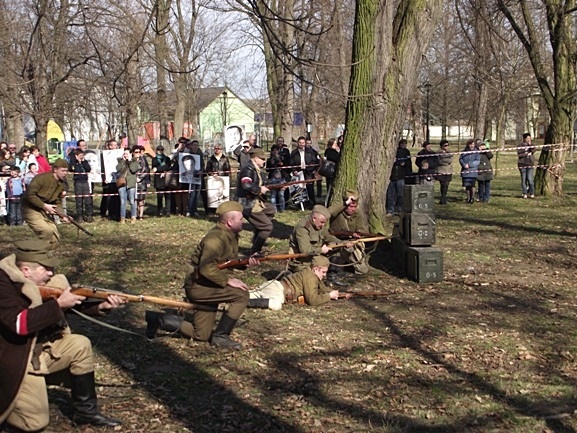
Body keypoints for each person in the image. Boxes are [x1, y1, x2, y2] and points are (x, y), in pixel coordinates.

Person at [0, 240, 125, 431]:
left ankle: (86, 413)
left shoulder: (36, 283)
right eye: (46, 268)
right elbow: (19, 324)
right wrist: (59, 305)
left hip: (37, 351)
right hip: (14, 360)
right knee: (34, 423)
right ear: (26, 270)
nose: (51, 273)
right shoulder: (3, 286)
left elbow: (66, 307)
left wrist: (101, 306)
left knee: (80, 345)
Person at [183, 201, 257, 349]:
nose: (243, 222)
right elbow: (206, 268)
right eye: (240, 219)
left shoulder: (230, 235)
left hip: (209, 284)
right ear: (230, 222)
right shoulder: (215, 239)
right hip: (199, 286)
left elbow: (226, 262)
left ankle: (159, 320)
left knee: (201, 335)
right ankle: (221, 336)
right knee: (241, 295)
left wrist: (243, 264)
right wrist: (228, 280)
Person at [248, 255, 351, 309]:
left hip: (275, 287)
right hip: (277, 290)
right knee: (276, 305)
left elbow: (322, 288)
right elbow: (313, 300)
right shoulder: (310, 277)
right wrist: (329, 296)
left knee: (248, 294)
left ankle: (241, 300)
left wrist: (339, 294)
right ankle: (246, 303)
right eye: (323, 272)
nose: (324, 275)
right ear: (316, 269)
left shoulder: (311, 274)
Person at [22, 158, 70, 245]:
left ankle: (45, 256)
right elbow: (30, 195)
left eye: (66, 171)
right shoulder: (41, 178)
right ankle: (27, 251)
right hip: (30, 208)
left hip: (43, 209)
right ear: (55, 170)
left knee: (55, 238)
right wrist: (44, 205)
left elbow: (57, 201)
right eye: (63, 171)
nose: (65, 173)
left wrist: (63, 215)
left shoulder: (61, 183)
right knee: (46, 231)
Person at [237, 148, 276, 255]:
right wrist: (259, 189)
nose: (264, 161)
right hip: (248, 204)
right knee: (267, 227)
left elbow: (263, 183)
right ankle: (255, 251)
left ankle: (258, 233)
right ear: (255, 158)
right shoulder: (248, 169)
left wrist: (279, 185)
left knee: (271, 210)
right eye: (262, 158)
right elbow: (246, 184)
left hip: (255, 201)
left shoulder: (256, 169)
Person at [328, 189, 370, 275]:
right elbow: (328, 212)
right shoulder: (337, 211)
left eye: (355, 206)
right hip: (334, 241)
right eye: (350, 206)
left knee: (363, 270)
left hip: (351, 242)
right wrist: (344, 204)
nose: (353, 209)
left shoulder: (358, 213)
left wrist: (358, 234)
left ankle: (347, 262)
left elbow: (362, 229)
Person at [288, 205, 340, 272]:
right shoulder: (303, 228)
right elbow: (305, 250)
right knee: (322, 263)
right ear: (314, 219)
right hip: (302, 261)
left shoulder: (319, 224)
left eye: (324, 222)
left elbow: (328, 236)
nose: (323, 225)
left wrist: (342, 242)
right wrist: (321, 250)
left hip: (315, 256)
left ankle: (332, 275)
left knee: (337, 253)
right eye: (322, 222)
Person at [290, 136, 320, 207]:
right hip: (299, 172)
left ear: (305, 143)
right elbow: (291, 163)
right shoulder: (294, 152)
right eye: (300, 142)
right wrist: (294, 171)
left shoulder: (311, 152)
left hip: (309, 172)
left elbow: (316, 161)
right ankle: (300, 205)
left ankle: (311, 203)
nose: (301, 144)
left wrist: (313, 170)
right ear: (297, 143)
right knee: (299, 188)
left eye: (303, 142)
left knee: (310, 188)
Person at [386, 138, 412, 215]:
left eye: (405, 144)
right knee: (391, 194)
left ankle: (399, 209)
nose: (403, 145)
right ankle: (390, 210)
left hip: (401, 175)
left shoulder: (406, 152)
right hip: (392, 176)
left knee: (400, 194)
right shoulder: (394, 151)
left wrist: (408, 172)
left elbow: (408, 163)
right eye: (402, 144)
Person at [115, 147, 140, 223]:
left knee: (132, 201)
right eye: (124, 153)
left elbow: (133, 169)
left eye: (127, 154)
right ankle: (122, 217)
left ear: (130, 154)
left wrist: (129, 161)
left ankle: (133, 217)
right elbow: (118, 169)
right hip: (122, 183)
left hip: (131, 183)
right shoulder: (120, 161)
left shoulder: (134, 161)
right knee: (123, 201)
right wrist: (123, 161)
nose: (126, 155)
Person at [68, 149, 93, 222]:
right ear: (76, 156)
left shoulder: (85, 162)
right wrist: (77, 163)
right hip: (78, 182)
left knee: (88, 200)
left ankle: (89, 215)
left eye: (82, 155)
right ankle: (79, 216)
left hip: (85, 182)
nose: (82, 157)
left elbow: (88, 169)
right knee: (79, 200)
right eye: (80, 155)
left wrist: (83, 162)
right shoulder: (73, 162)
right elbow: (72, 169)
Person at [151, 144, 172, 217]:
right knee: (159, 197)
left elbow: (168, 166)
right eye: (159, 150)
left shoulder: (167, 159)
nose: (160, 151)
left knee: (168, 197)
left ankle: (168, 211)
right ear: (157, 151)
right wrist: (161, 169)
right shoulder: (154, 159)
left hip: (167, 179)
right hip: (158, 180)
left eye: (161, 150)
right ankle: (159, 211)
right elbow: (154, 168)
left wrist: (159, 169)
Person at [459, 139, 481, 203]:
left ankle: (472, 198)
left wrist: (470, 165)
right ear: (468, 145)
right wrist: (464, 165)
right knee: (466, 185)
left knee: (472, 185)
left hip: (473, 171)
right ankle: (468, 197)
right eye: (471, 144)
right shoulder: (464, 152)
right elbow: (460, 159)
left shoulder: (476, 152)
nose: (472, 146)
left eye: (473, 144)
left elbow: (477, 161)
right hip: (465, 171)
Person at [134, 145, 150, 220]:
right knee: (135, 200)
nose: (138, 153)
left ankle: (141, 215)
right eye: (136, 152)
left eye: (139, 152)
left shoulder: (143, 160)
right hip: (133, 182)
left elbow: (146, 170)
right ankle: (136, 214)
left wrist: (140, 178)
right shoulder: (132, 160)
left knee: (141, 199)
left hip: (142, 182)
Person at [518, 132, 536, 199]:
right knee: (523, 180)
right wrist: (526, 154)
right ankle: (524, 193)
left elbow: (534, 150)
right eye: (527, 138)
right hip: (522, 164)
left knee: (530, 179)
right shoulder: (520, 145)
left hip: (530, 163)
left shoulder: (531, 145)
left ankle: (532, 193)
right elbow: (520, 154)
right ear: (524, 139)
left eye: (529, 138)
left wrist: (530, 145)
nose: (529, 139)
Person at [436, 139, 453, 205]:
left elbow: (450, 160)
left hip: (448, 171)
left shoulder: (450, 153)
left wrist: (444, 160)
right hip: (441, 171)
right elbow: (439, 161)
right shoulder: (438, 153)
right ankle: (442, 198)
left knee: (446, 185)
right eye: (445, 145)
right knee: (442, 184)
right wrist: (445, 162)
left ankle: (444, 197)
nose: (446, 147)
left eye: (447, 145)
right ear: (441, 146)